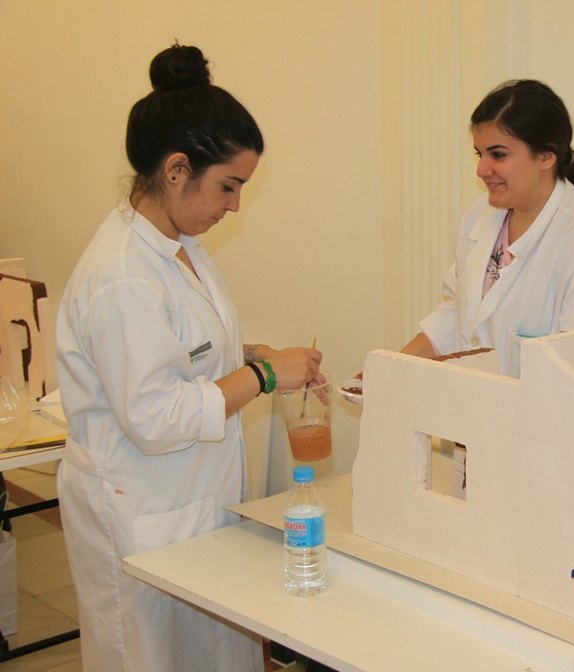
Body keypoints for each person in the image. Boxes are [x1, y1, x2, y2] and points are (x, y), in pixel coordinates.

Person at [55, 44, 321, 672]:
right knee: (151, 657)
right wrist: (262, 375)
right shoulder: (123, 274)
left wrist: (254, 354)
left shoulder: (177, 245)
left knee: (212, 652)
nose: (234, 205)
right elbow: (156, 416)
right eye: (229, 186)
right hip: (142, 510)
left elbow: (182, 349)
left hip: (189, 505)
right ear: (177, 169)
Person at [401, 79, 574, 376]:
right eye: (479, 154)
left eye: (498, 155)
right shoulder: (479, 217)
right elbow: (459, 315)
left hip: (547, 407)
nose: (481, 170)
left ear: (546, 156)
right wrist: (391, 368)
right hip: (477, 401)